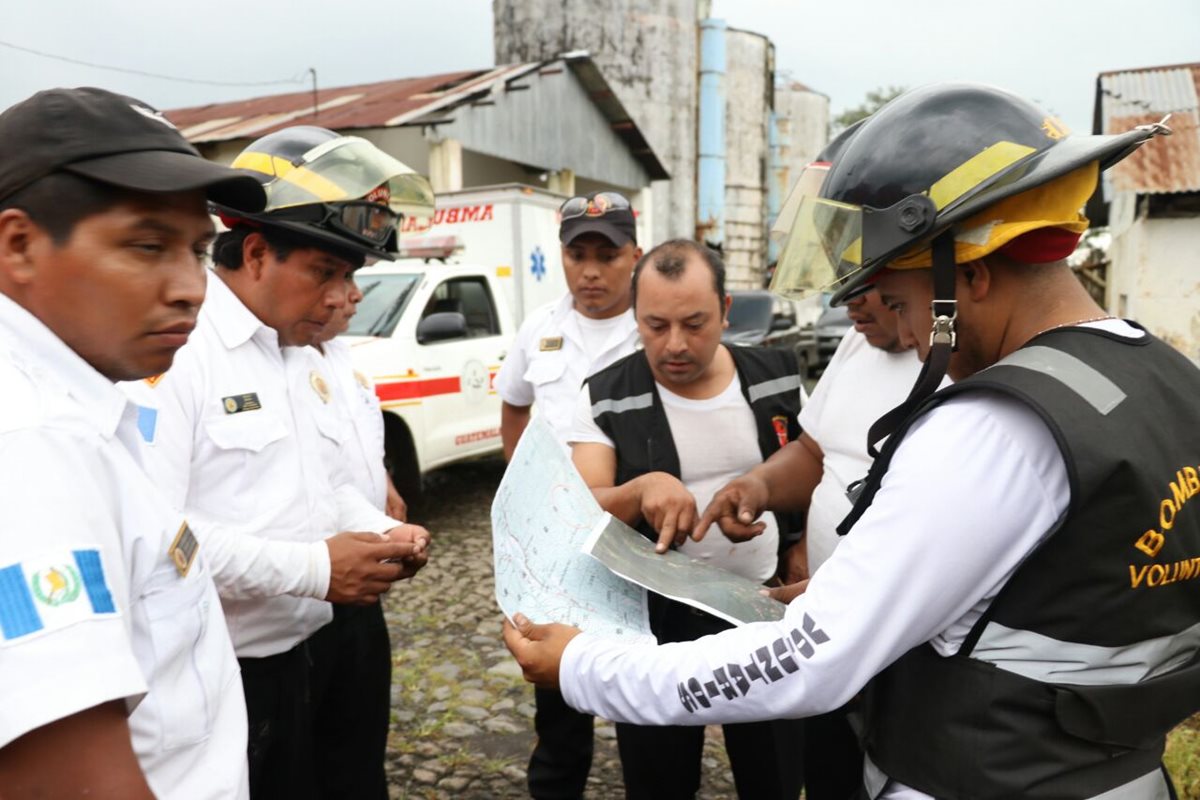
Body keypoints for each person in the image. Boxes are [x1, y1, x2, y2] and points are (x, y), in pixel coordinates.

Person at [505, 82, 1197, 800]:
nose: (902, 334)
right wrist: (859, 589)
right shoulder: (1168, 379)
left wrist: (586, 665)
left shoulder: (997, 427)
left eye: (900, 302)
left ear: (973, 276)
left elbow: (811, 662)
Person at [128, 125, 433, 798]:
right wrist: (316, 568)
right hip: (227, 670)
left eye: (347, 277)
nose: (337, 298)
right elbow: (157, 538)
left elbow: (318, 488)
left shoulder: (296, 352)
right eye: (323, 273)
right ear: (258, 252)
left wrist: (377, 529)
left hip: (311, 649)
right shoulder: (179, 355)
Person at [0, 87, 265, 797]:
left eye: (201, 250)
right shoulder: (34, 440)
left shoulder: (78, 404)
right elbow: (67, 781)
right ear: (19, 244)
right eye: (146, 246)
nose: (191, 288)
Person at [569, 239, 805, 799]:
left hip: (764, 609)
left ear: (725, 309)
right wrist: (639, 489)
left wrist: (796, 544)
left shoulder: (777, 377)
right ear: (635, 316)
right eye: (654, 325)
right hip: (657, 625)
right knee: (659, 775)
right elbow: (577, 508)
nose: (674, 344)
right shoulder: (606, 395)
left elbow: (812, 472)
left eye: (695, 323)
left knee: (773, 770)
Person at [494, 191, 642, 800]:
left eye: (606, 255)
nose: (590, 270)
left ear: (634, 254)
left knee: (644, 692)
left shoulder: (653, 327)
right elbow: (513, 405)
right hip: (560, 550)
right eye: (576, 254)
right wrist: (521, 490)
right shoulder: (541, 328)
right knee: (557, 706)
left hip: (638, 537)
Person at [306, 277, 409, 798]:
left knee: (363, 734)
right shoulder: (284, 358)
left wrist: (384, 489)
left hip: (361, 574)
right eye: (335, 274)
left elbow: (355, 446)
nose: (355, 294)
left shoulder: (346, 356)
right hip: (311, 581)